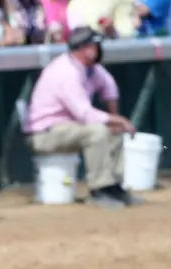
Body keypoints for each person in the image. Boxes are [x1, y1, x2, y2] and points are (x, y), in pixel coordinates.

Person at [25, 26, 137, 208]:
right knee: (97, 132)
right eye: (95, 46)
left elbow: (109, 87)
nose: (99, 50)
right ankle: (99, 190)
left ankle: (114, 187)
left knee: (112, 130)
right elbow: (84, 114)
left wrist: (115, 119)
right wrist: (119, 119)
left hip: (66, 128)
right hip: (43, 134)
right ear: (84, 49)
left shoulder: (90, 67)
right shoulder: (66, 71)